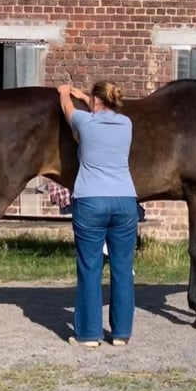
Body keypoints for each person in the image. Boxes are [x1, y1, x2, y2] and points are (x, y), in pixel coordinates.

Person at [57, 81, 139, 348]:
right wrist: (86, 95)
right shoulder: (126, 123)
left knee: (90, 267)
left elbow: (67, 108)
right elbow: (98, 109)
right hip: (125, 200)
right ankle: (121, 334)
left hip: (91, 200)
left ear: (94, 101)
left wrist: (64, 93)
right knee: (123, 268)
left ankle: (89, 334)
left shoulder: (84, 122)